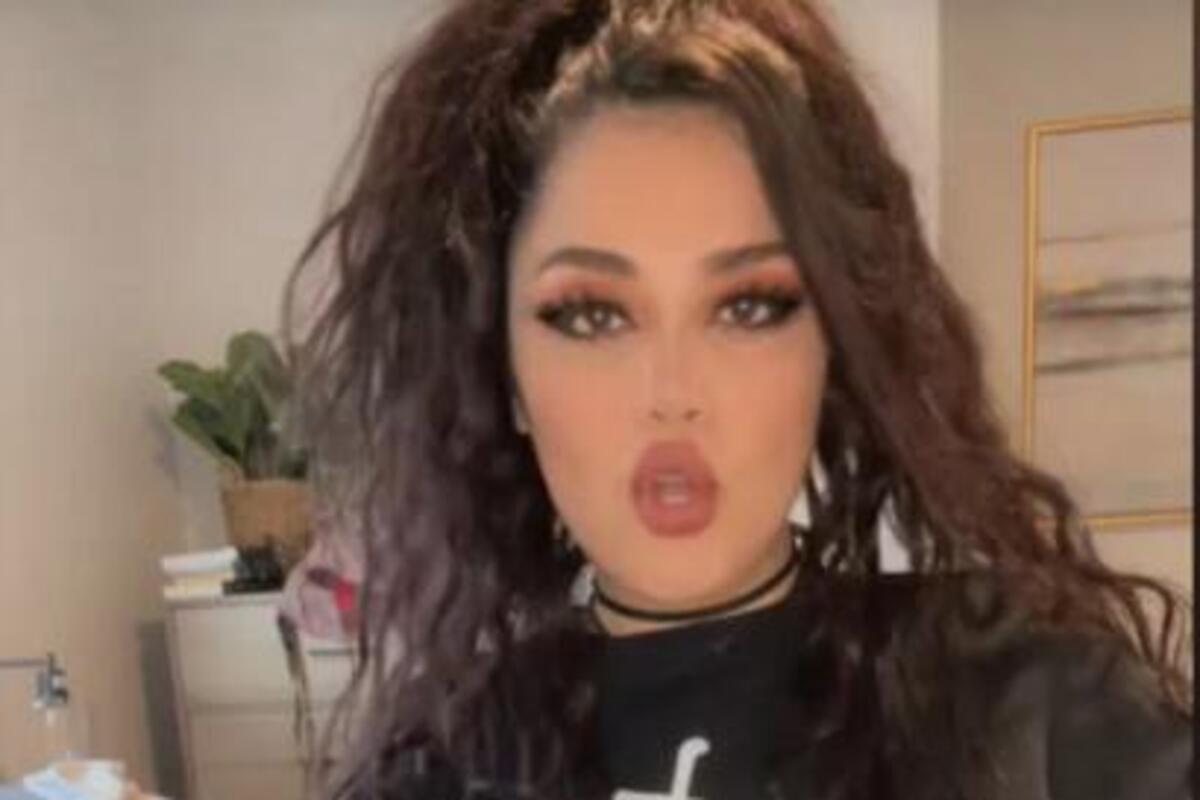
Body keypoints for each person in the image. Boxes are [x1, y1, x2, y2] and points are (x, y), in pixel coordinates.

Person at [283, 1, 1193, 798]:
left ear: (832, 349)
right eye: (593, 315)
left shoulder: (1028, 706)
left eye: (749, 306)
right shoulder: (437, 770)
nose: (674, 395)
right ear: (505, 377)